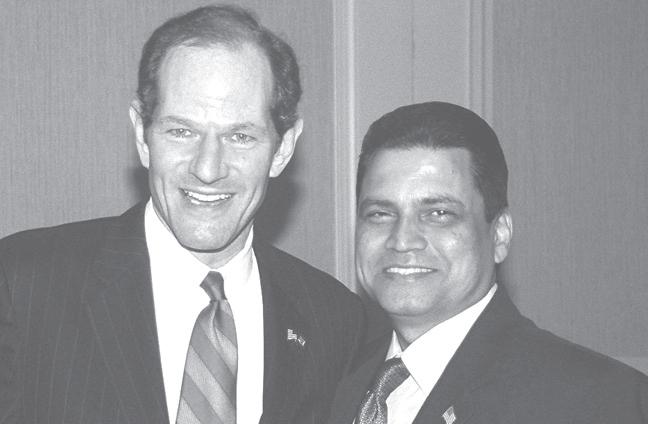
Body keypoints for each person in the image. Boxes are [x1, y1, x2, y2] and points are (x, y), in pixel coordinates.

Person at [0, 5, 364, 424]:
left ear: (282, 149)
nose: (207, 168)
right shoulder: (23, 285)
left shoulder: (335, 321)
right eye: (181, 131)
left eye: (240, 136)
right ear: (142, 135)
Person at [327, 101, 648, 424]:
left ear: (500, 235)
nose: (402, 240)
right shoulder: (332, 380)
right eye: (380, 214)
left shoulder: (600, 401)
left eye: (438, 213)